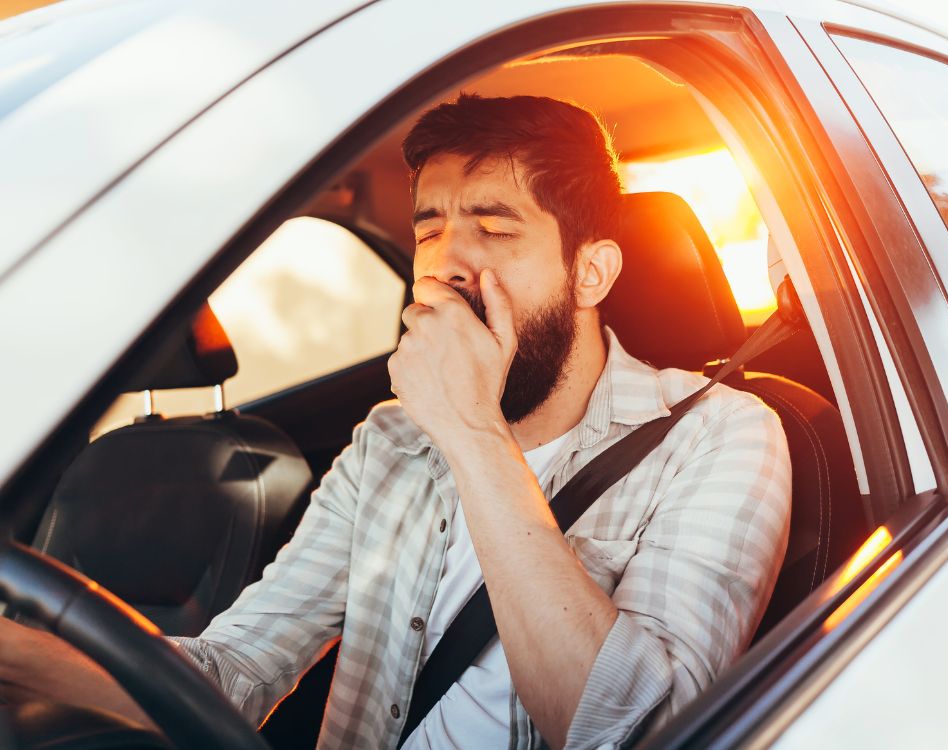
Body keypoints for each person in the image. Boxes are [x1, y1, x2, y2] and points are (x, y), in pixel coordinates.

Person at [0, 94, 791, 749]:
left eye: (494, 227)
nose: (448, 261)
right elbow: (233, 671)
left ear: (590, 271)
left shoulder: (720, 436)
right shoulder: (388, 440)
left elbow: (634, 733)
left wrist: (473, 431)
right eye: (430, 228)